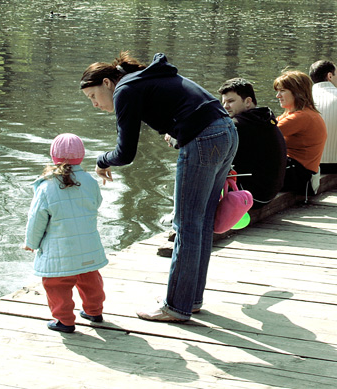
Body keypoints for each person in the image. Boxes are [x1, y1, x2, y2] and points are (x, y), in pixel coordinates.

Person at [80, 52, 237, 322]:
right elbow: (187, 105)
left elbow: (125, 152)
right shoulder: (144, 79)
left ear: (107, 82)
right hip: (227, 131)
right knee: (200, 223)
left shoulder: (125, 90)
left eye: (92, 96)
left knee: (186, 225)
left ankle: (176, 306)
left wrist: (101, 160)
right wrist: (177, 130)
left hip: (205, 138)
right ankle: (190, 299)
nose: (94, 104)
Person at [23, 133, 108, 334]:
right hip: (88, 245)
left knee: (56, 283)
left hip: (59, 249)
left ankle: (64, 320)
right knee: (90, 279)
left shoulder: (46, 186)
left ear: (53, 156)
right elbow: (96, 204)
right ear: (81, 155)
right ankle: (94, 311)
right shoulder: (89, 181)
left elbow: (37, 219)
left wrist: (31, 243)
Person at [218, 78, 287, 207]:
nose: (225, 106)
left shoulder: (238, 126)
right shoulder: (264, 119)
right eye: (224, 102)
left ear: (248, 101)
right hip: (269, 193)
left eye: (231, 101)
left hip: (252, 197)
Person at [273, 70, 327, 195]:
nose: (278, 96)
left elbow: (264, 134)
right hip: (300, 173)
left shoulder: (301, 117)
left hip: (300, 176)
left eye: (282, 91)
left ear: (297, 92)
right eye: (277, 91)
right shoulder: (294, 114)